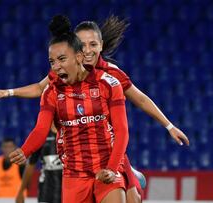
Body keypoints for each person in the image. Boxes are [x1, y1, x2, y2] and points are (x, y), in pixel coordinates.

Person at [0, 15, 190, 203]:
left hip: (109, 152)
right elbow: (40, 89)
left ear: (100, 46)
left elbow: (141, 100)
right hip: (76, 162)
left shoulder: (110, 76)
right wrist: (9, 92)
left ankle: (130, 175)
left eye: (93, 44)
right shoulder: (60, 74)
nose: (87, 50)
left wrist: (169, 126)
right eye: (82, 45)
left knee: (133, 199)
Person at [10, 15, 129, 203]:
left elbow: (122, 131)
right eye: (52, 62)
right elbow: (41, 130)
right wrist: (24, 150)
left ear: (79, 57)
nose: (56, 67)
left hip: (106, 168)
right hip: (74, 175)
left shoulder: (108, 84)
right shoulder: (50, 93)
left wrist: (112, 168)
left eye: (62, 59)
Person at [16, 123, 62, 203]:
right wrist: (21, 191)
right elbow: (30, 165)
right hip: (46, 192)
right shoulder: (41, 136)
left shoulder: (69, 133)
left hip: (68, 190)